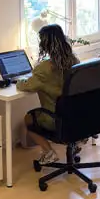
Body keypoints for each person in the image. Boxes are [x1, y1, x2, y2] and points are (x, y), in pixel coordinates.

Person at [17, 24, 79, 165]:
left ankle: (48, 152)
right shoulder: (74, 61)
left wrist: (18, 81)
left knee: (28, 118)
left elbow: (26, 86)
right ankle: (75, 143)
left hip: (55, 118)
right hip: (76, 115)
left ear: (44, 44)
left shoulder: (43, 69)